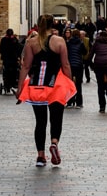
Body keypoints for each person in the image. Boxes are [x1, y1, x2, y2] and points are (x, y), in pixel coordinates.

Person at [16, 15, 77, 167]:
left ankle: (40, 156)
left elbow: (26, 66)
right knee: (56, 117)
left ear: (38, 24)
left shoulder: (31, 42)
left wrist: (20, 87)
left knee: (40, 121)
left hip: (37, 86)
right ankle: (54, 143)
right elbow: (66, 64)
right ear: (53, 25)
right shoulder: (59, 41)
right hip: (56, 85)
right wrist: (70, 82)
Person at [89, 30, 107, 113]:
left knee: (100, 87)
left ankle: (102, 106)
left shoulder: (96, 44)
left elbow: (90, 56)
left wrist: (92, 66)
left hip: (99, 65)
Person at [65, 29, 86, 108]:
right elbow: (85, 52)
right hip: (78, 65)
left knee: (69, 84)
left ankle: (69, 102)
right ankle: (79, 103)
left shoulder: (68, 43)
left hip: (70, 65)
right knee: (78, 84)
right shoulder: (81, 43)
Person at [0, 29, 22, 94]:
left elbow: (1, 50)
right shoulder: (15, 40)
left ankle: (7, 84)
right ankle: (14, 83)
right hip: (14, 60)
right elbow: (19, 50)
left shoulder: (3, 40)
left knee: (6, 72)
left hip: (6, 60)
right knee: (15, 71)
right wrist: (19, 57)